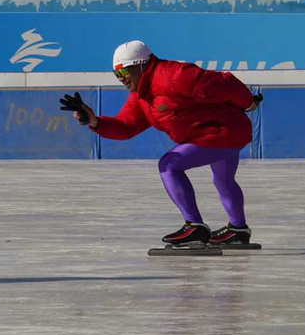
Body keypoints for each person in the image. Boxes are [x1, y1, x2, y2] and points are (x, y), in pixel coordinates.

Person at [60, 40, 261, 248]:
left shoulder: (176, 76)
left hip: (223, 133)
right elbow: (126, 126)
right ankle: (238, 229)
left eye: (122, 73)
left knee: (169, 165)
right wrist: (94, 121)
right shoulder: (141, 96)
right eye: (116, 75)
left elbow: (225, 84)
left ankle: (195, 226)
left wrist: (248, 103)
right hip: (225, 131)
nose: (121, 80)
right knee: (223, 181)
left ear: (139, 65)